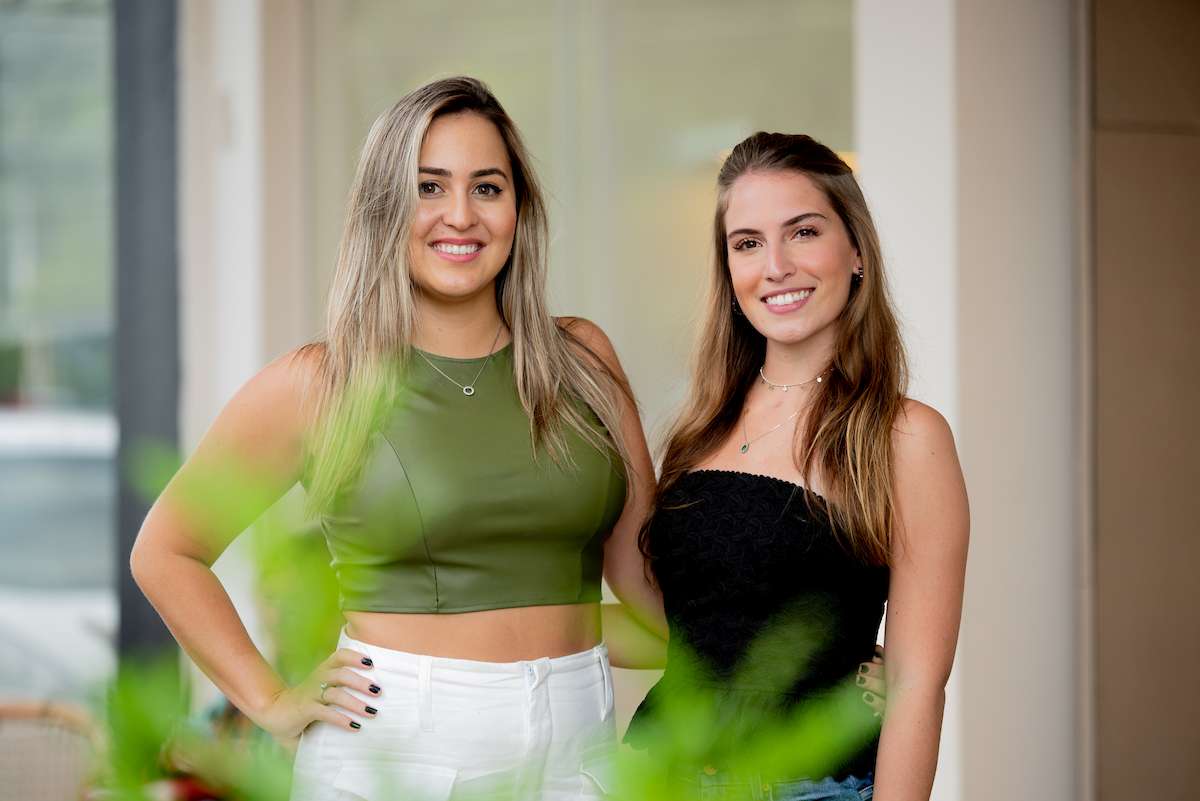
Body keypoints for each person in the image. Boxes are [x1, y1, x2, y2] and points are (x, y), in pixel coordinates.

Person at [129, 76, 664, 801]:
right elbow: (166, 549)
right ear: (385, 207)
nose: (461, 216)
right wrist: (269, 699)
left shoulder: (583, 361)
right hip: (398, 751)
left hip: (580, 749)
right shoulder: (321, 383)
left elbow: (654, 598)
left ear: (519, 208)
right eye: (429, 187)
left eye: (488, 187)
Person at [621, 132, 969, 801]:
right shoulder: (699, 429)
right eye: (747, 243)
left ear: (857, 251)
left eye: (803, 232)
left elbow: (919, 685)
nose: (774, 265)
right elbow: (689, 624)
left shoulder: (904, 437)